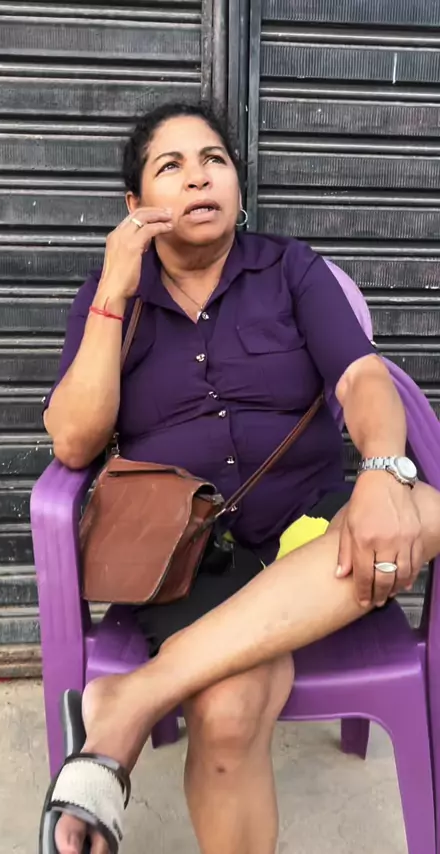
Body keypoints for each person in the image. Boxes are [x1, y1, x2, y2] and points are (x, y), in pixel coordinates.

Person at [42, 102, 440, 854]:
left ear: (237, 183)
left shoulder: (290, 269)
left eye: (214, 161)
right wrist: (113, 293)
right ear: (134, 205)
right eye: (171, 166)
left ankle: (130, 701)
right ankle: (145, 696)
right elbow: (75, 441)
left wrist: (383, 471)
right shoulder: (111, 295)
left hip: (311, 525)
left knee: (424, 509)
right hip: (189, 553)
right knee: (227, 711)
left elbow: (361, 378)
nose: (199, 178)